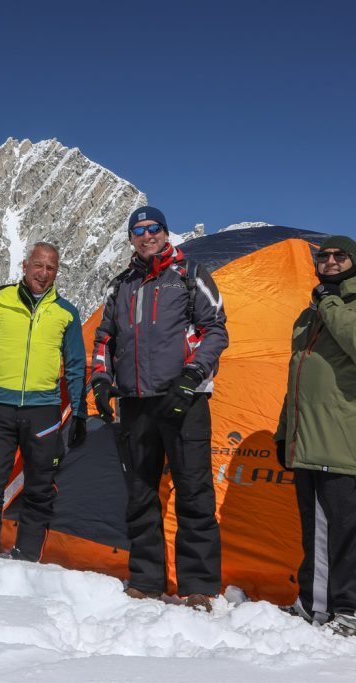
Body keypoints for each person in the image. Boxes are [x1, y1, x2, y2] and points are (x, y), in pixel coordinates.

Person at [90, 206, 228, 611]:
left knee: (194, 492)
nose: (146, 235)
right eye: (138, 230)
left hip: (185, 400)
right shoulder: (122, 286)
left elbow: (215, 329)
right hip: (135, 403)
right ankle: (146, 580)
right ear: (131, 238)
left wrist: (191, 376)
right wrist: (100, 379)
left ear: (166, 234)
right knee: (140, 492)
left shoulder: (189, 275)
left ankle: (199, 585)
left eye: (153, 229)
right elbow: (104, 339)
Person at [274, 236, 356, 637]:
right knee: (318, 533)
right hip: (307, 440)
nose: (328, 260)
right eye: (322, 255)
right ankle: (315, 604)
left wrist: (329, 303)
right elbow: (300, 376)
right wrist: (283, 433)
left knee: (353, 534)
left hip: (348, 440)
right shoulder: (309, 314)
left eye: (338, 255)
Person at [0, 242, 87, 565]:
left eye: (50, 268)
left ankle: (26, 563)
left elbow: (77, 367)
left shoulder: (66, 313)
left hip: (45, 414)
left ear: (57, 272)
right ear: (25, 265)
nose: (43, 273)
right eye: (38, 265)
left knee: (39, 490)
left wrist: (78, 413)